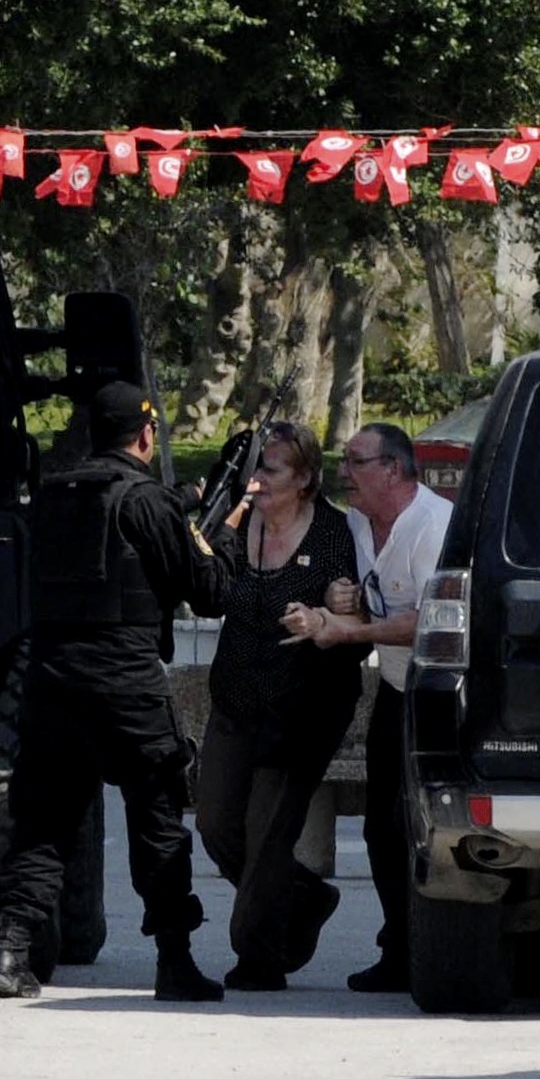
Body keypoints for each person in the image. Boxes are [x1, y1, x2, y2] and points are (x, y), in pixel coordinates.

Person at [0, 382, 249, 1001]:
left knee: (44, 823)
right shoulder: (147, 501)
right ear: (146, 435)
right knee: (157, 819)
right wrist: (227, 531)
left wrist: (184, 505)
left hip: (51, 680)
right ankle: (174, 960)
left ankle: (10, 947)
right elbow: (209, 592)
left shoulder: (50, 497)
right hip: (125, 685)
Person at [195, 422, 367, 991]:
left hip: (301, 709)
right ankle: (304, 893)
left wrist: (336, 607)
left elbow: (357, 621)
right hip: (236, 700)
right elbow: (207, 595)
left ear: (305, 480)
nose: (259, 480)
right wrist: (203, 525)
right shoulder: (238, 525)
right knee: (217, 824)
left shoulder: (334, 535)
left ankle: (259, 957)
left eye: (271, 470)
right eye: (256, 468)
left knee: (268, 832)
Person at [284, 422, 452, 993]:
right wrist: (339, 598)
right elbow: (355, 593)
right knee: (382, 826)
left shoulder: (433, 527)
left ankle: (428, 944)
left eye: (356, 461)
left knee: (420, 825)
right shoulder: (359, 521)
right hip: (398, 686)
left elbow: (429, 623)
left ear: (393, 470)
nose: (344, 472)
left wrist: (348, 633)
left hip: (443, 689)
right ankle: (398, 946)